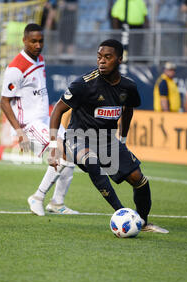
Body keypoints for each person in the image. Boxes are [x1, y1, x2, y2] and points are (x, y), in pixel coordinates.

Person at [48, 39, 169, 233]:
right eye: (99, 57)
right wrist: (54, 147)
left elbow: (128, 110)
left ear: (119, 59)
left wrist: (123, 138)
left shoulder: (128, 87)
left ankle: (143, 222)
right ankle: (122, 213)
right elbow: (57, 111)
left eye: (107, 57)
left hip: (107, 140)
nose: (101, 61)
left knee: (139, 179)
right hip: (78, 137)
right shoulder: (83, 84)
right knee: (92, 161)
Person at [0, 23, 78, 216]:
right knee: (60, 150)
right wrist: (19, 132)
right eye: (33, 41)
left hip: (45, 119)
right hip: (29, 124)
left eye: (40, 41)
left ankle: (57, 203)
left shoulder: (40, 59)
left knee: (71, 153)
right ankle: (38, 197)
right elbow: (4, 102)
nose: (37, 45)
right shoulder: (16, 68)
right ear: (24, 40)